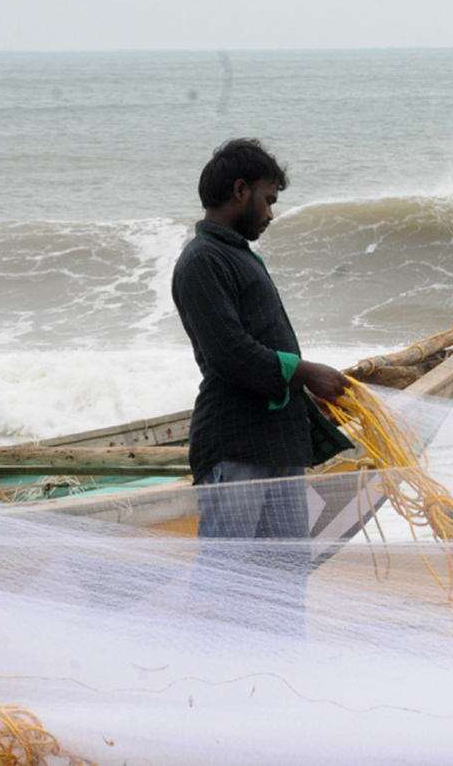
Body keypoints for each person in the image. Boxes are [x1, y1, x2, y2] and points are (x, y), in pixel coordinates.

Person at [171, 138, 350, 631]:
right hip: (234, 443)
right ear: (240, 190)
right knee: (225, 576)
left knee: (286, 574)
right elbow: (230, 355)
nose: (271, 213)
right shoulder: (203, 261)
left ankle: (279, 677)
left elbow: (258, 350)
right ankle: (206, 677)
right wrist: (305, 371)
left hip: (276, 442)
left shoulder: (236, 255)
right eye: (269, 200)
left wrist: (307, 389)